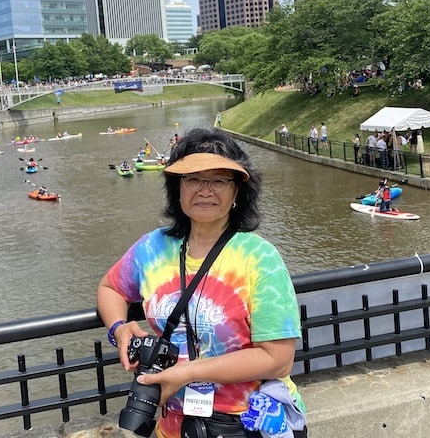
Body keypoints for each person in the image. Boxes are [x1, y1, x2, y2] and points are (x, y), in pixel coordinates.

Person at [97, 128, 306, 438]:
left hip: (249, 424)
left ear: (237, 192)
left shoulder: (260, 258)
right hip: (174, 426)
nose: (205, 190)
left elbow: (277, 359)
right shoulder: (151, 248)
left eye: (219, 180)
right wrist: (119, 327)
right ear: (177, 187)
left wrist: (187, 373)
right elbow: (110, 288)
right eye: (193, 179)